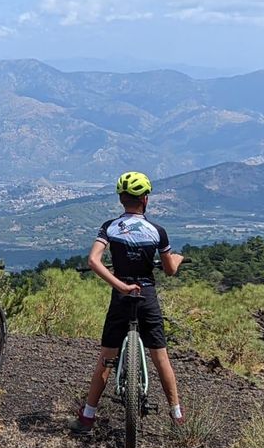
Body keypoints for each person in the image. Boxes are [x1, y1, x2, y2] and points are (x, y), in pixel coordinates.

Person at [69, 171, 185, 433]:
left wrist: (120, 285)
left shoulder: (109, 227)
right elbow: (168, 269)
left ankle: (88, 416)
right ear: (145, 199)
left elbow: (93, 261)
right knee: (160, 356)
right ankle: (176, 414)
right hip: (147, 295)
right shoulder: (158, 232)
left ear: (121, 199)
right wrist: (176, 259)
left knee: (107, 357)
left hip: (121, 296)